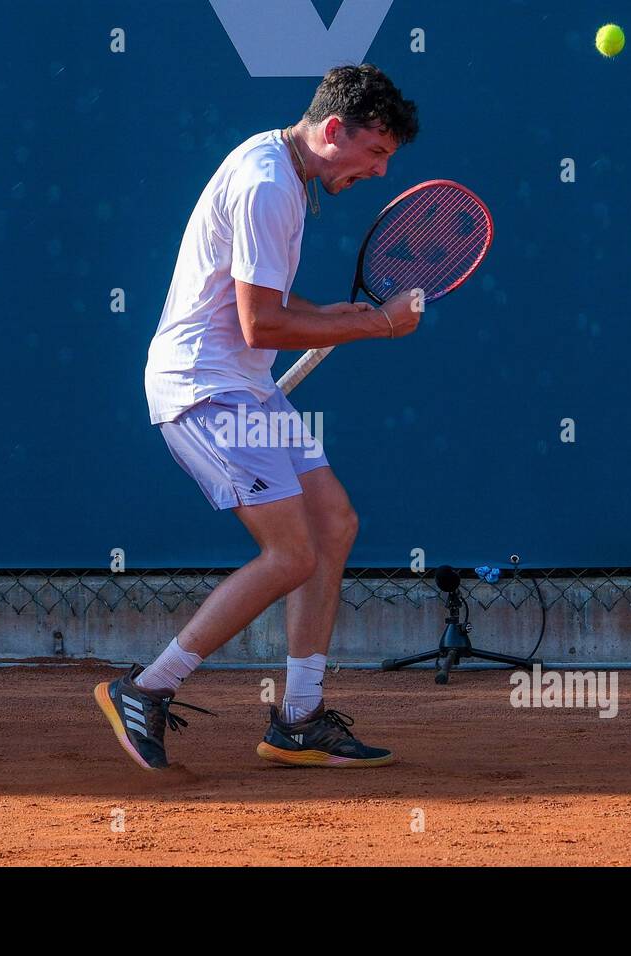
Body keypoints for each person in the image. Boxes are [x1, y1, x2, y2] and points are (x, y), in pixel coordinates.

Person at [95, 64, 420, 770]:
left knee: (332, 523)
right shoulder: (271, 184)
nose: (380, 171)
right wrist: (382, 328)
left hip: (244, 386)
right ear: (333, 130)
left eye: (389, 159)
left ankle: (298, 718)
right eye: (375, 153)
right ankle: (146, 688)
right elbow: (258, 324)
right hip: (206, 390)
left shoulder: (277, 168)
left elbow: (264, 307)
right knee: (290, 554)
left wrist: (329, 316)